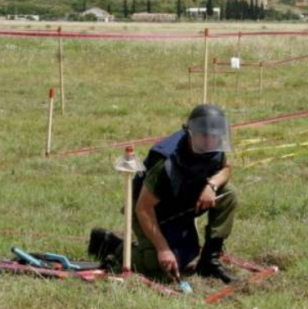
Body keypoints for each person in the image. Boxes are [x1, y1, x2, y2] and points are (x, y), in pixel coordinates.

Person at [89, 104, 238, 283]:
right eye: (205, 136)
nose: (211, 141)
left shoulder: (213, 149)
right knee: (160, 265)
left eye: (215, 136)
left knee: (228, 194)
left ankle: (209, 262)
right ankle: (113, 246)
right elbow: (143, 208)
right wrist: (163, 249)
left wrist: (212, 186)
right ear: (191, 133)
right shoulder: (167, 162)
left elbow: (227, 168)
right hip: (149, 210)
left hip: (180, 202)